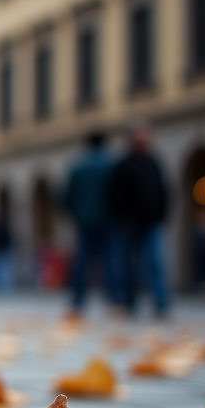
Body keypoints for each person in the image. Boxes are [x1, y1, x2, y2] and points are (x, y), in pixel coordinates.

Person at [106, 121, 170, 318]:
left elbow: (163, 191)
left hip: (151, 221)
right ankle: (130, 302)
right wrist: (123, 217)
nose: (143, 141)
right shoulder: (123, 165)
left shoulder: (153, 163)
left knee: (155, 262)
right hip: (129, 224)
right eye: (139, 138)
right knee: (129, 264)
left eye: (146, 137)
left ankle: (161, 304)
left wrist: (162, 214)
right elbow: (113, 195)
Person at [62, 131, 114, 317]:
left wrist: (76, 212)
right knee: (109, 260)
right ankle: (114, 301)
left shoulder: (79, 167)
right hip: (108, 220)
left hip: (84, 220)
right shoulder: (111, 165)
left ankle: (77, 302)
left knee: (82, 261)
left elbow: (66, 196)